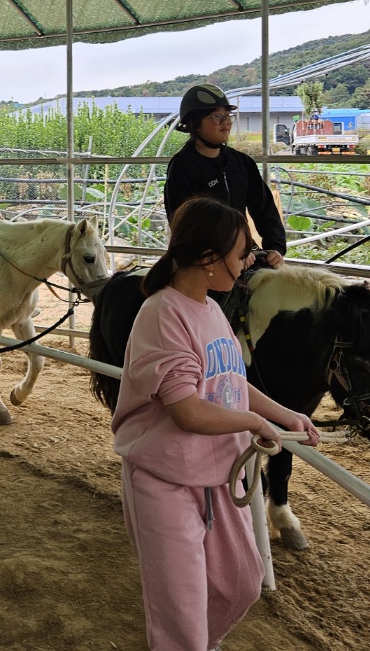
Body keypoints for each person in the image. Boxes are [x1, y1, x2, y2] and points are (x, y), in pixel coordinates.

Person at [112, 196, 319, 651]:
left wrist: (284, 414)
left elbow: (230, 383)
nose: (248, 262)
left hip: (218, 475)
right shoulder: (164, 314)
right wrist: (251, 423)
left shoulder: (210, 309)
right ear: (208, 258)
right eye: (242, 252)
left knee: (242, 583)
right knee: (179, 609)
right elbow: (186, 409)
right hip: (165, 479)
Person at [164, 84, 286, 327]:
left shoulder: (242, 163)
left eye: (227, 116)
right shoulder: (183, 167)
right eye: (216, 117)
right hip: (203, 263)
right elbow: (184, 225)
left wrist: (275, 248)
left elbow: (264, 209)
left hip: (244, 255)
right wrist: (228, 254)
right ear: (194, 123)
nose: (226, 123)